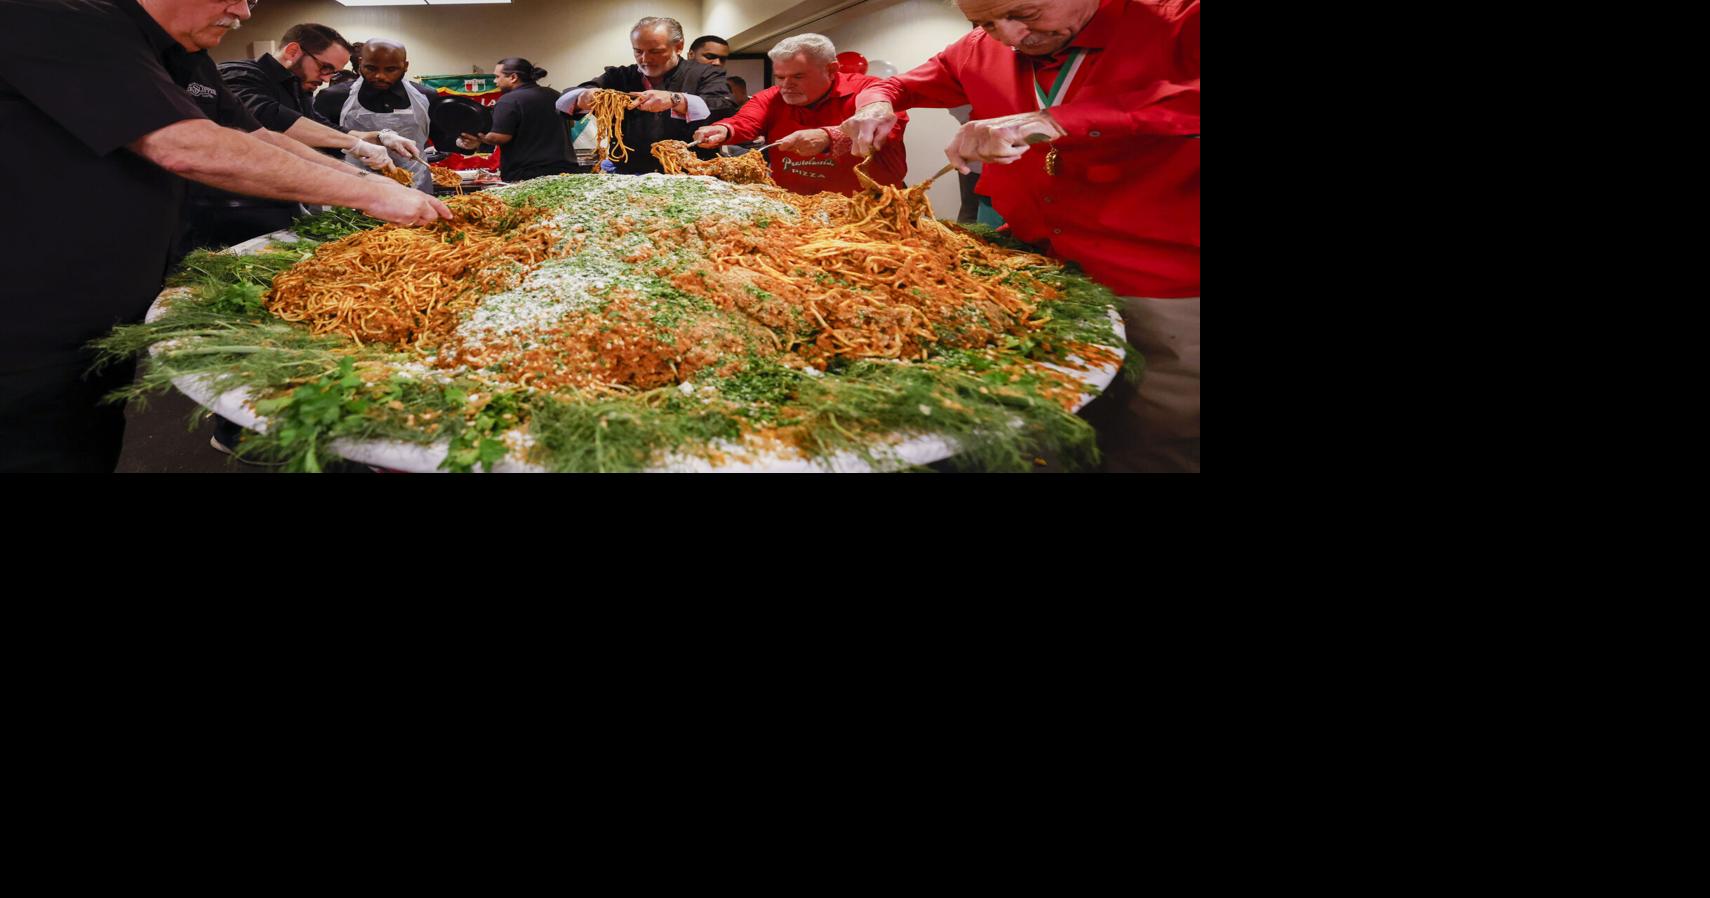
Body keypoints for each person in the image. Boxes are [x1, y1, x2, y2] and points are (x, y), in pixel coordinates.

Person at [0, 0, 450, 473]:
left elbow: (257, 136)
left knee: (87, 436)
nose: (243, 11)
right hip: (29, 308)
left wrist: (366, 175)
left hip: (104, 299)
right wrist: (369, 194)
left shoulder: (185, 57)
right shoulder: (57, 16)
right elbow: (184, 144)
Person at [840, 0, 1200, 472]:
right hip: (1041, 271)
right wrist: (874, 103)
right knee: (1042, 424)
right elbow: (896, 85)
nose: (1009, 36)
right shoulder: (977, 49)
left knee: (1152, 433)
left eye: (1025, 13)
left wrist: (1052, 120)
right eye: (984, 22)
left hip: (1160, 283)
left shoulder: (1180, 21)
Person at [693, 34, 906, 196]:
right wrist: (723, 129)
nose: (786, 86)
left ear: (831, 70)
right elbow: (744, 121)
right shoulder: (772, 97)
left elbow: (884, 128)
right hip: (797, 210)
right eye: (780, 77)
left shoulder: (872, 91)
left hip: (870, 207)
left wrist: (828, 137)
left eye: (798, 76)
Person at [554, 16, 735, 174]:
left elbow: (723, 106)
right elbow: (564, 101)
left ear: (679, 46)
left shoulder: (705, 73)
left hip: (691, 172)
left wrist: (676, 99)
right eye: (638, 51)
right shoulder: (620, 76)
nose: (645, 59)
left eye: (655, 51)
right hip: (629, 171)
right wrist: (583, 97)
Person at [314, 39, 437, 191]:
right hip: (354, 186)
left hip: (416, 186)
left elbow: (442, 140)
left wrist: (461, 142)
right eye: (371, 68)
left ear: (405, 66)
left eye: (391, 69)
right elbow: (317, 142)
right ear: (360, 63)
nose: (380, 76)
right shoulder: (333, 97)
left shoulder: (425, 97)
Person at [455, 57, 578, 182]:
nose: (495, 81)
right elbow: (570, 124)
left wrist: (478, 136)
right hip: (566, 171)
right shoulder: (555, 94)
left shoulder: (509, 100)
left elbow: (499, 137)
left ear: (513, 77)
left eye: (497, 76)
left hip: (528, 175)